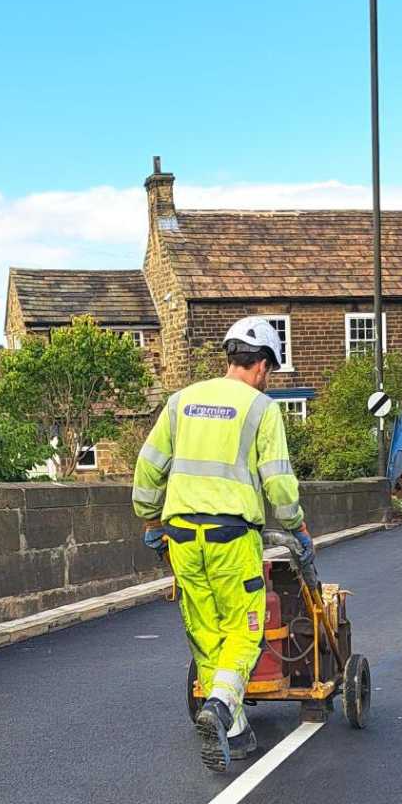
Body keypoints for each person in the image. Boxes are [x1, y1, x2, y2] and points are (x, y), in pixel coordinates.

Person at [132, 317, 312, 772]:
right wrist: (297, 526)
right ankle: (221, 707)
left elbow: (148, 468)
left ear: (230, 357)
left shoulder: (180, 401)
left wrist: (151, 519)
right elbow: (277, 481)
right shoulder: (260, 408)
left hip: (182, 538)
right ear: (264, 365)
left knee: (205, 631)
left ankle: (234, 733)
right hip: (232, 538)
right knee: (245, 630)